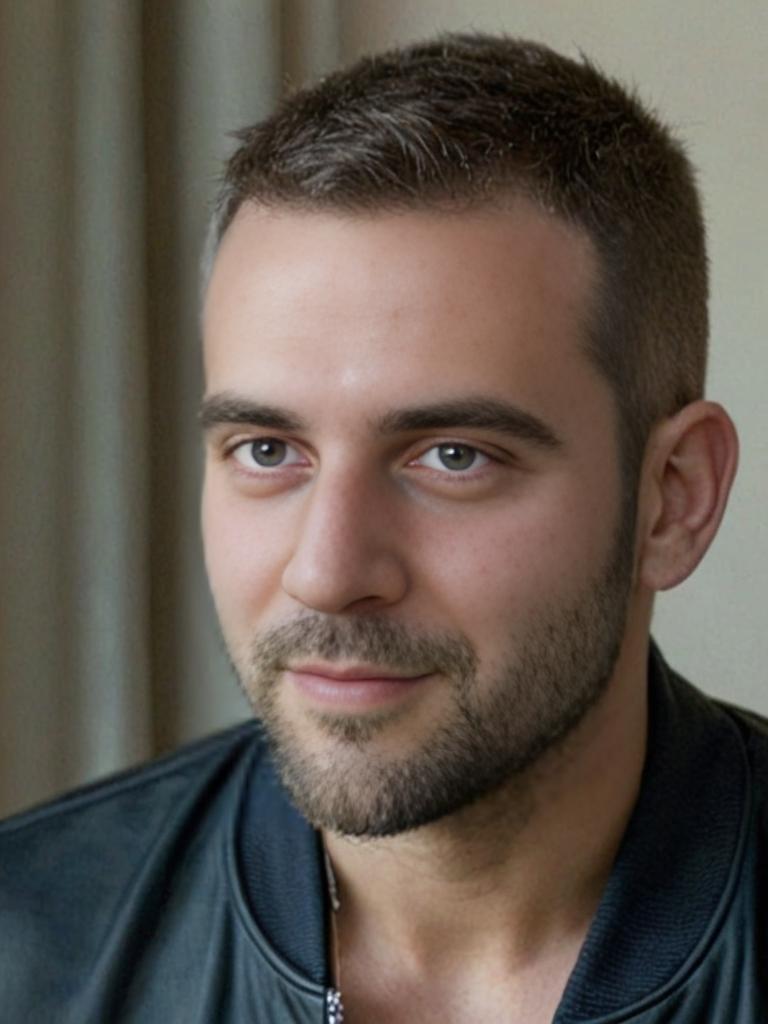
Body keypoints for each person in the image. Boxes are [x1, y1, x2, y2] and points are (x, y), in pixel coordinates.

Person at [0, 32, 764, 1023]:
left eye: (453, 455)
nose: (326, 572)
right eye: (267, 449)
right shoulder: (28, 954)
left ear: (673, 496)